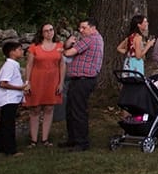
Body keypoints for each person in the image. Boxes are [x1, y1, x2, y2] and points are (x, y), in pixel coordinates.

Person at [60, 19, 104, 150]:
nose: (81, 30)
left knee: (78, 111)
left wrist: (63, 47)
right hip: (80, 79)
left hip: (83, 80)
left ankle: (81, 142)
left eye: (84, 28)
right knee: (71, 110)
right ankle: (73, 138)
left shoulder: (90, 39)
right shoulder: (97, 39)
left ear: (93, 28)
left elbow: (69, 53)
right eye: (80, 28)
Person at [23, 22, 65, 146]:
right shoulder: (34, 47)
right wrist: (27, 82)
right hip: (37, 80)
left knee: (49, 108)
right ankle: (33, 140)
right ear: (41, 33)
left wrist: (61, 82)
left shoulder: (59, 46)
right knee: (35, 109)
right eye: (46, 30)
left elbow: (62, 65)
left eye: (51, 30)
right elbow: (29, 65)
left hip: (52, 80)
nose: (49, 32)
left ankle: (45, 139)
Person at [0, 41, 25, 155]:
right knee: (9, 125)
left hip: (12, 99)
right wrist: (20, 88)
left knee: (4, 123)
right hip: (8, 99)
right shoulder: (9, 66)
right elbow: (3, 83)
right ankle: (10, 150)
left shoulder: (13, 65)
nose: (22, 51)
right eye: (19, 49)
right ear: (12, 52)